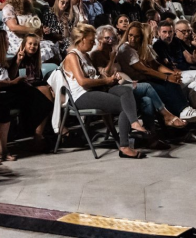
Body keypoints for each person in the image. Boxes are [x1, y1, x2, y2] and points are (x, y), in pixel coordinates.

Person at [62, 23, 146, 158]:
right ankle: (124, 146)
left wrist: (111, 78)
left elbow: (97, 77)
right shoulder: (72, 56)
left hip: (95, 91)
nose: (93, 43)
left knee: (126, 91)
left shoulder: (85, 55)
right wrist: (105, 81)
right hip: (80, 96)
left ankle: (133, 122)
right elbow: (83, 82)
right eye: (91, 40)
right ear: (82, 39)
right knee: (124, 105)